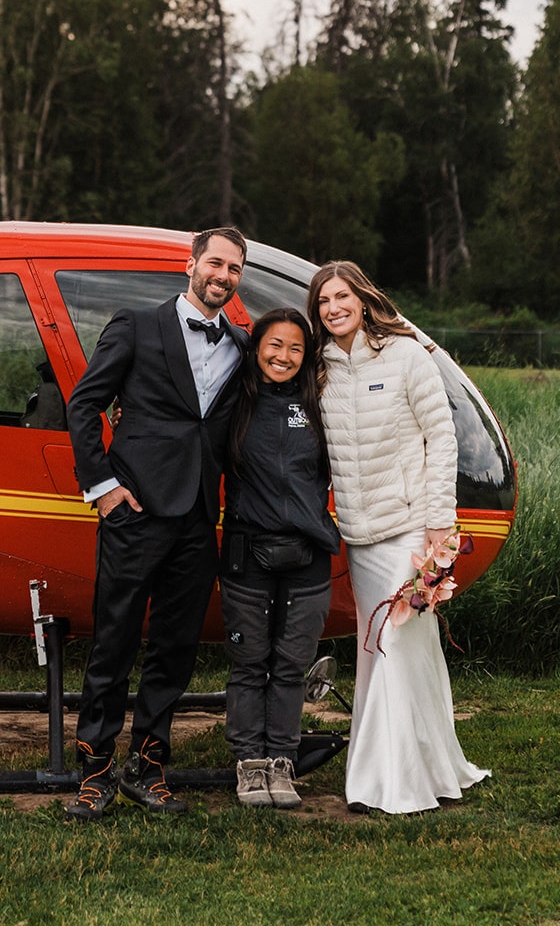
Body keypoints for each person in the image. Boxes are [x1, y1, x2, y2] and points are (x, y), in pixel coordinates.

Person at [65, 226, 250, 820]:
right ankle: (94, 773)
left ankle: (149, 767)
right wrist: (104, 488)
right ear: (191, 264)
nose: (223, 276)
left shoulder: (243, 347)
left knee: (175, 647)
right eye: (215, 263)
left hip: (199, 515)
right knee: (114, 641)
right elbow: (84, 404)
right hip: (134, 511)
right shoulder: (136, 325)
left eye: (235, 270)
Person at [306, 259, 490, 815]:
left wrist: (439, 523)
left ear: (362, 299)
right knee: (380, 651)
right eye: (323, 302)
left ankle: (388, 783)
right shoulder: (318, 368)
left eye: (342, 297)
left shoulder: (407, 354)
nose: (334, 309)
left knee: (399, 645)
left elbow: (443, 438)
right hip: (361, 536)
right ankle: (424, 768)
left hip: (412, 529)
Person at [219, 308, 339, 810]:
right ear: (256, 347)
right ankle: (249, 764)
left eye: (295, 348)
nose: (283, 356)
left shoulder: (321, 404)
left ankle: (282, 764)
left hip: (308, 554)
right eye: (274, 345)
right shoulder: (233, 401)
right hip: (247, 554)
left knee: (291, 665)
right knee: (250, 664)